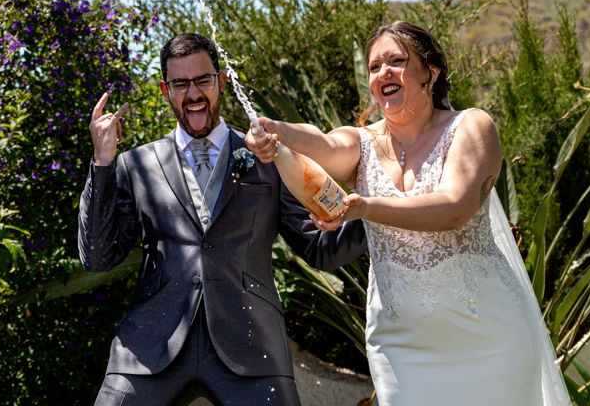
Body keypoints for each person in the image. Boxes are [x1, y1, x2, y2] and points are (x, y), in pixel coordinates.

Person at [245, 21, 571, 406]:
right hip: (401, 347)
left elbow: (454, 207)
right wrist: (275, 130)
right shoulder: (361, 142)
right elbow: (326, 144)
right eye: (374, 66)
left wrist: (365, 207)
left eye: (397, 61)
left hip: (488, 337)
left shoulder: (471, 126)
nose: (384, 72)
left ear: (430, 73)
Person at [77, 32, 366, 406]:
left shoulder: (269, 159)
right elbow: (98, 256)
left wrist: (373, 212)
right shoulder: (137, 165)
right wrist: (102, 162)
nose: (193, 93)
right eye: (180, 83)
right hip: (148, 351)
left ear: (222, 82)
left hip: (251, 348)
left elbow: (319, 250)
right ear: (165, 90)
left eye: (203, 80)